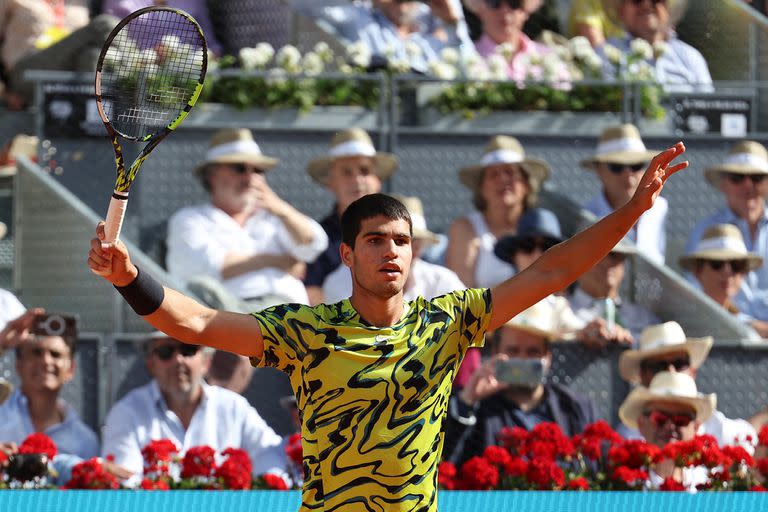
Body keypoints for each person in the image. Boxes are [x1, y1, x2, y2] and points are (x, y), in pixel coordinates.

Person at [87, 141, 688, 511]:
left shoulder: (450, 320)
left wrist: (630, 213)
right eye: (375, 241)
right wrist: (128, 276)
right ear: (347, 256)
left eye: (401, 241)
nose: (391, 251)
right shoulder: (307, 331)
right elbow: (193, 322)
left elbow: (555, 270)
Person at [165, 128, 328, 310]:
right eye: (239, 168)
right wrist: (277, 261)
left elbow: (313, 244)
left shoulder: (276, 217)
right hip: (222, 311)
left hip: (283, 307)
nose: (250, 178)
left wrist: (280, 207)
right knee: (203, 290)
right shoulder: (190, 219)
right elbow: (211, 267)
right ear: (212, 175)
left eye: (258, 170)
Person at [101, 331, 286, 478]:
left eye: (188, 349)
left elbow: (272, 459)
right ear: (151, 364)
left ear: (206, 362)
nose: (178, 360)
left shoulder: (234, 407)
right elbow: (125, 480)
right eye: (166, 352)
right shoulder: (127, 411)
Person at [443, 300, 600, 466]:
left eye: (533, 352)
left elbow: (597, 471)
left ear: (547, 357)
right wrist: (467, 401)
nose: (523, 360)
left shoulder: (576, 408)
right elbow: (445, 462)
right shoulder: (475, 407)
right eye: (513, 351)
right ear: (495, 353)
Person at [617, 320, 757, 452]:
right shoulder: (628, 436)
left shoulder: (712, 419)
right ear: (642, 376)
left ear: (693, 370)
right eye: (659, 418)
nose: (670, 371)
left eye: (679, 364)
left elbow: (748, 437)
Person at [0, 313, 104, 483]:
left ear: (71, 369)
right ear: (18, 364)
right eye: (36, 352)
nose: (46, 361)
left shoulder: (85, 440)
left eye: (55, 354)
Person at [304, 128, 398, 305]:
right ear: (330, 182)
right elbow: (311, 295)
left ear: (378, 179)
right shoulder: (318, 238)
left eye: (364, 170)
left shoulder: (401, 231)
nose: (357, 179)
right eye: (347, 172)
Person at [446, 135, 550, 289]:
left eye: (510, 172)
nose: (502, 179)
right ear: (481, 188)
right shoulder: (465, 228)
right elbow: (460, 298)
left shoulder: (544, 224)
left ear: (527, 184)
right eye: (493, 174)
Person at [322, 194, 465, 303]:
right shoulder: (339, 283)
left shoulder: (442, 280)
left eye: (404, 240)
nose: (393, 250)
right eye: (378, 241)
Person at [687, 141, 768, 313]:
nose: (748, 185)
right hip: (725, 332)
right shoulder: (705, 230)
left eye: (757, 178)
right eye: (737, 178)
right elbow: (695, 292)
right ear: (724, 184)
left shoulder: (706, 230)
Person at [0, 1, 117, 109]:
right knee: (105, 24)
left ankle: (85, 119)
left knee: (92, 54)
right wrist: (3, 92)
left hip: (71, 70)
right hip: (26, 69)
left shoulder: (80, 3)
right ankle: (133, 76)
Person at [493, 208, 587, 340]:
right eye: (528, 245)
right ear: (514, 255)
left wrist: (594, 332)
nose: (537, 255)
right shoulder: (492, 297)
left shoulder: (558, 308)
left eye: (547, 248)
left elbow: (579, 331)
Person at [581, 124, 667, 264]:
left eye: (636, 165)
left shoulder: (660, 207)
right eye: (616, 167)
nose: (628, 175)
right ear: (599, 170)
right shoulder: (587, 218)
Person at [318, 0, 474, 73]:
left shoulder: (440, 23)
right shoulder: (360, 18)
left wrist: (453, 24)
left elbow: (468, 68)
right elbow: (303, 5)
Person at [619, 371, 714, 490]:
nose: (670, 426)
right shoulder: (623, 485)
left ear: (695, 427)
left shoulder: (708, 483)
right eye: (660, 418)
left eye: (681, 419)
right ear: (642, 424)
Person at [600, 0, 713, 93]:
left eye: (656, 0)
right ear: (621, 9)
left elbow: (708, 109)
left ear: (668, 7)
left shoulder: (691, 57)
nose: (646, 4)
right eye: (636, 0)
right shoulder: (605, 55)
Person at [567, 233, 659, 346]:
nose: (607, 261)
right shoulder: (558, 309)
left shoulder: (643, 318)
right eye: (598, 254)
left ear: (624, 264)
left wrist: (630, 343)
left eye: (615, 255)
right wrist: (577, 336)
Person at [680, 224, 768, 336]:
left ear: (743, 273)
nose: (727, 272)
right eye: (717, 264)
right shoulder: (681, 320)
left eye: (736, 265)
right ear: (698, 271)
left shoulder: (745, 319)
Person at [463, 0, 570, 83]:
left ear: (526, 10)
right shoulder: (465, 59)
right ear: (478, 9)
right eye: (494, 2)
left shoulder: (550, 57)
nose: (505, 10)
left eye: (514, 3)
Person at [101, 0, 222, 56]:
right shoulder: (119, 2)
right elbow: (113, 46)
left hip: (192, 77)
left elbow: (211, 45)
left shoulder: (195, 2)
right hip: (136, 79)